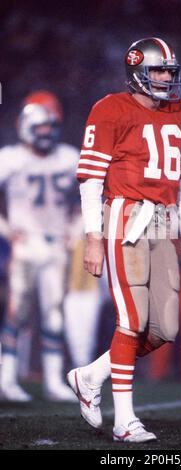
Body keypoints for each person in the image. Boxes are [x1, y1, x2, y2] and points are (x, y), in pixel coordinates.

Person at [67, 37, 181, 443]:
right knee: (131, 321)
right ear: (136, 71)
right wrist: (93, 237)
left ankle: (89, 376)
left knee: (164, 328)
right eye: (158, 70)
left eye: (170, 70)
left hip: (164, 222)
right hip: (126, 217)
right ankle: (125, 421)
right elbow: (92, 181)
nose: (166, 77)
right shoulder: (109, 108)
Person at [0, 93, 79, 402]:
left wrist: (74, 230)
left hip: (56, 245)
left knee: (54, 314)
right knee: (17, 312)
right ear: (26, 129)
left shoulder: (68, 157)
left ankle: (52, 381)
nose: (46, 135)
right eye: (40, 129)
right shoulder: (10, 157)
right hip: (26, 244)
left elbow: (88, 196)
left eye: (50, 129)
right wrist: (7, 230)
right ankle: (6, 379)